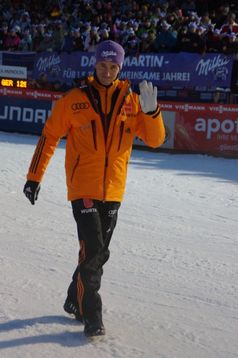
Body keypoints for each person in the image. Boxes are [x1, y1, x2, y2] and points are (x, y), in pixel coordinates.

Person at [23, 40, 165, 338]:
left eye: (114, 66)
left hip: (114, 190)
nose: (107, 71)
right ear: (95, 64)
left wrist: (152, 114)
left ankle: (74, 300)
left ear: (120, 68)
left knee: (96, 253)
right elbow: (49, 137)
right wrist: (34, 176)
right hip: (82, 188)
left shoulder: (132, 101)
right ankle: (91, 314)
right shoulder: (74, 100)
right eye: (103, 65)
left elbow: (155, 141)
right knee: (95, 251)